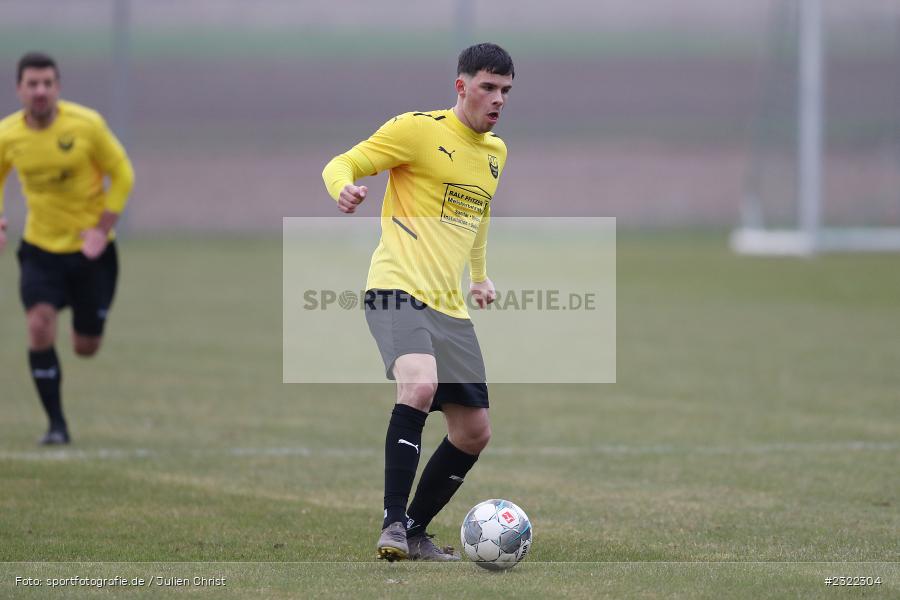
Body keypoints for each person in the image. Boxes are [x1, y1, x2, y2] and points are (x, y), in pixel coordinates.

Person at [322, 43, 514, 561]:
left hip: (449, 306)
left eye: (505, 91)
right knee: (420, 384)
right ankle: (390, 524)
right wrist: (343, 188)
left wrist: (478, 276)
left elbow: (480, 216)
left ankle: (414, 529)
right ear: (461, 86)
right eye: (488, 88)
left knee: (474, 432)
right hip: (395, 288)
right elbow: (345, 161)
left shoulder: (495, 153)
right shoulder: (417, 129)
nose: (497, 100)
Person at [0, 52, 135, 445]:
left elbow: (123, 174)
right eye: (32, 84)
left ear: (57, 87)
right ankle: (56, 426)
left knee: (85, 346)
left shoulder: (87, 125)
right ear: (19, 89)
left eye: (47, 83)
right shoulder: (8, 135)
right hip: (40, 248)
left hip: (91, 252)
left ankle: (88, 324)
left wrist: (102, 229)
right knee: (39, 324)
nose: (40, 91)